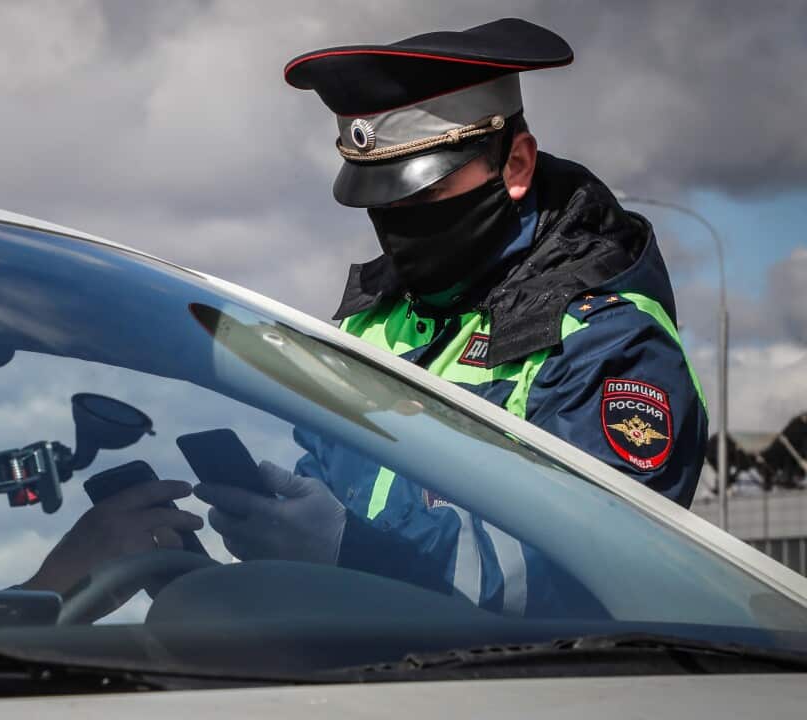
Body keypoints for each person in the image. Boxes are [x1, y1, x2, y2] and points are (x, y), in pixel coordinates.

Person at [194, 18, 708, 617]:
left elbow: (584, 578)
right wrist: (277, 529)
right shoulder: (369, 323)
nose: (398, 219)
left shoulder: (607, 343)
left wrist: (349, 551)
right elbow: (330, 488)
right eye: (380, 200)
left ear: (515, 165)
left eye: (423, 193)